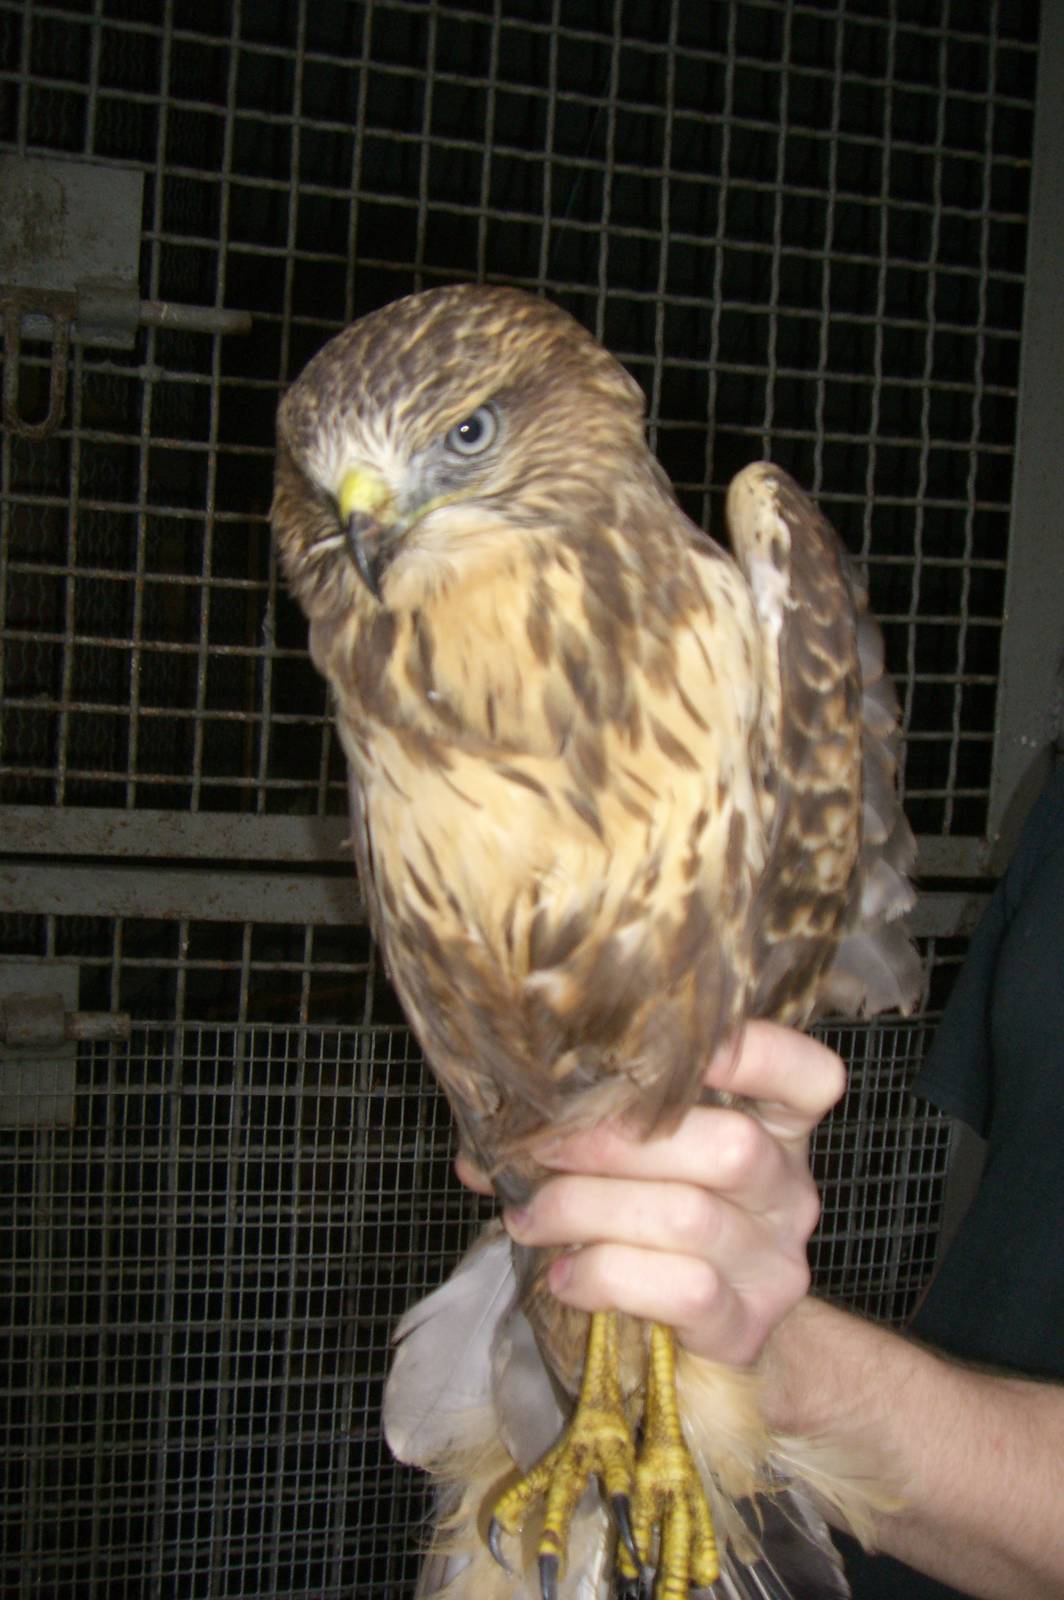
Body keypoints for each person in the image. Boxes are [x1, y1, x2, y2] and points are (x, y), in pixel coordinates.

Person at [456, 765, 1064, 1599]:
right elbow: (1006, 1214)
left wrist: (786, 1369)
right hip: (896, 1536)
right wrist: (725, 1319)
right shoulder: (1057, 807)